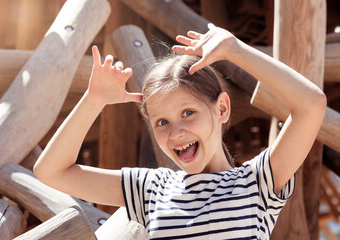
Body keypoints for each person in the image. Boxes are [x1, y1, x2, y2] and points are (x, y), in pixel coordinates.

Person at [33, 23, 326, 239]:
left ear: (222, 109)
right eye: (162, 122)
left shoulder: (257, 182)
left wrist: (235, 50)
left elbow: (311, 105)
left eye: (188, 113)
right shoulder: (150, 190)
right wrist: (93, 99)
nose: (176, 133)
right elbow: (51, 172)